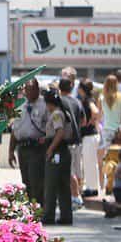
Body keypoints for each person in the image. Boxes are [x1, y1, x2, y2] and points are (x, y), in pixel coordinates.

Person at [9, 79, 47, 206]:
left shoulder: (44, 105)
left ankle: (38, 208)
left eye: (32, 89)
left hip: (37, 149)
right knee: (26, 181)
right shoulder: (21, 106)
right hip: (22, 148)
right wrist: (10, 151)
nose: (29, 93)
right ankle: (30, 209)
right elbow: (15, 130)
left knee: (36, 181)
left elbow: (51, 128)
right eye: (27, 90)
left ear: (37, 90)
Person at [41, 88, 73, 225]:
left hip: (57, 152)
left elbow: (59, 133)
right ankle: (66, 216)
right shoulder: (63, 112)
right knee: (63, 185)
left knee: (51, 184)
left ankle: (48, 216)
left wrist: (50, 148)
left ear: (49, 103)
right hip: (63, 151)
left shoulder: (56, 114)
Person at [58, 77, 83, 209]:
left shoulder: (60, 101)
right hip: (78, 140)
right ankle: (78, 195)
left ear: (59, 88)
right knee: (77, 170)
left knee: (69, 170)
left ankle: (76, 196)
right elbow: (83, 120)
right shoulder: (77, 101)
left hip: (67, 141)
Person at [97, 74, 121, 188]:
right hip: (118, 132)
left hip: (106, 131)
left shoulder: (102, 98)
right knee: (118, 159)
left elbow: (99, 117)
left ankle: (106, 185)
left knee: (107, 160)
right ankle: (116, 183)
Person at [77, 79, 100, 196]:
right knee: (91, 163)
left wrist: (89, 121)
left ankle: (92, 188)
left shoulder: (87, 100)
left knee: (89, 163)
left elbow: (95, 111)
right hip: (91, 136)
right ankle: (93, 187)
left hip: (89, 136)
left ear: (82, 89)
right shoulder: (89, 99)